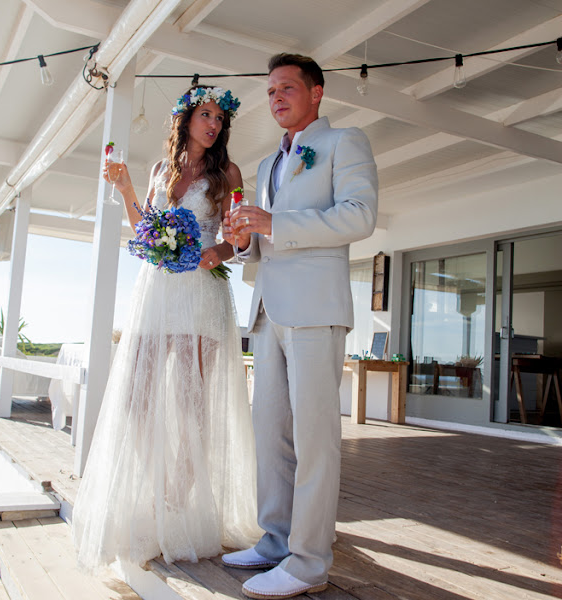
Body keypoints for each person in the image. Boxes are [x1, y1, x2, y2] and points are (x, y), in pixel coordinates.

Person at [72, 85, 261, 571]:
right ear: (186, 119)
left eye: (219, 118)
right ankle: (157, 484)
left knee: (190, 400)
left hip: (201, 292)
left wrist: (218, 251)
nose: (214, 124)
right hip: (157, 290)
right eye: (206, 115)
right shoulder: (161, 169)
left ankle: (175, 501)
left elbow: (239, 239)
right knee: (136, 394)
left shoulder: (228, 174)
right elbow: (145, 229)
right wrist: (126, 190)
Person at [222, 54, 378, 599]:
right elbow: (263, 241)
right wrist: (245, 239)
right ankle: (275, 541)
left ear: (316, 93)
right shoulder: (267, 163)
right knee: (270, 435)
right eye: (270, 91)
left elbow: (360, 215)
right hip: (268, 313)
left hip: (315, 311)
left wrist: (275, 222)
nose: (276, 98)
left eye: (287, 87)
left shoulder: (345, 142)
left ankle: (309, 562)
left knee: (315, 440)